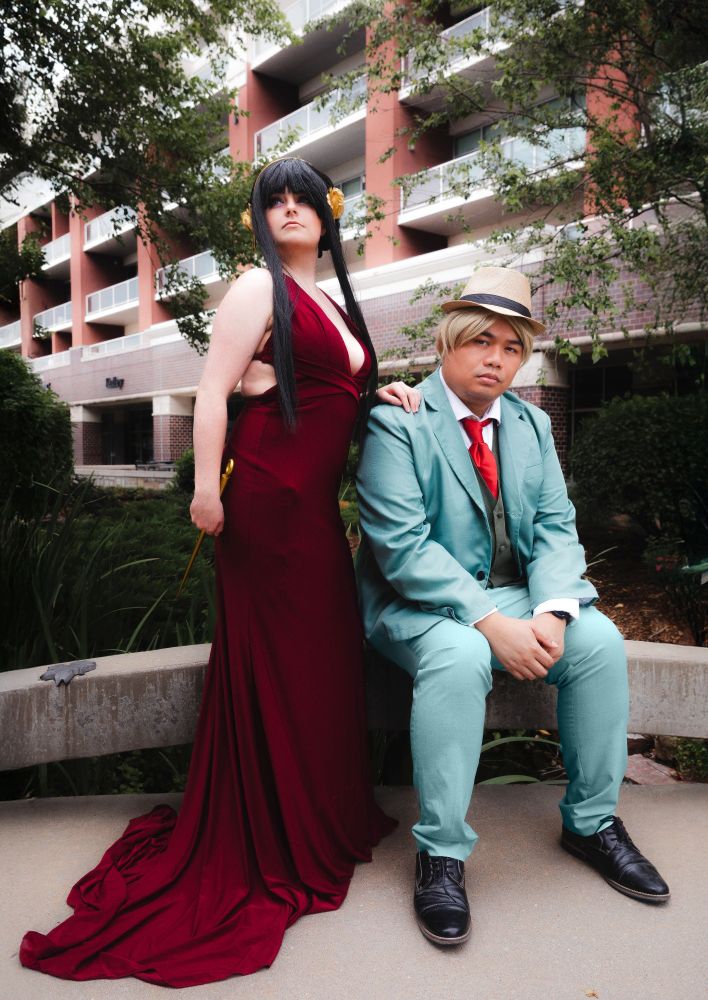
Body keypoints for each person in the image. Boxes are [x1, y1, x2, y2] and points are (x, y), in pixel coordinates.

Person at [19, 157, 417, 986]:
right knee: (281, 664)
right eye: (274, 200)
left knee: (322, 660)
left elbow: (336, 388)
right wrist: (206, 489)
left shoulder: (333, 301)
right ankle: (274, 834)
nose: (290, 209)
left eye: (304, 198)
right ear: (260, 221)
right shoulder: (255, 286)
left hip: (314, 512)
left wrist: (384, 393)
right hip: (265, 502)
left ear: (328, 214)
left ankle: (318, 817)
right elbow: (212, 389)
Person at [355, 265, 670, 947]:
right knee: (460, 653)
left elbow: (556, 527)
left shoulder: (531, 424)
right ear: (448, 341)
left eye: (511, 347)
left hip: (516, 593)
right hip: (414, 603)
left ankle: (591, 824)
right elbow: (402, 547)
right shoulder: (397, 420)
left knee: (598, 641)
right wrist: (491, 621)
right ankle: (442, 852)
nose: (496, 359)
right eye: (481, 341)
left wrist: (552, 611)